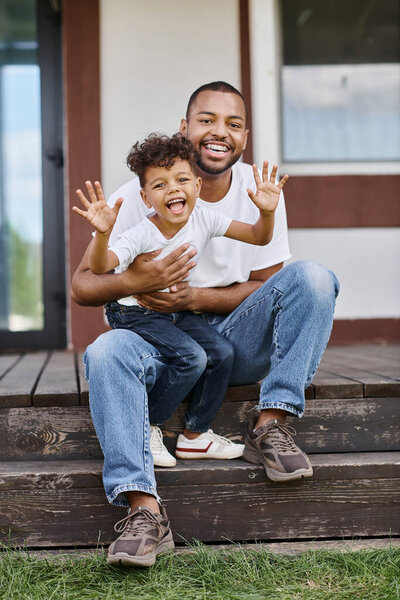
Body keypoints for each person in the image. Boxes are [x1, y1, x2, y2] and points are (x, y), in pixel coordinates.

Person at [71, 81, 339, 567]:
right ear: (185, 129)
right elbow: (84, 285)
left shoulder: (258, 190)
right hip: (155, 336)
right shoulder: (139, 194)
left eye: (233, 124)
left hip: (230, 340)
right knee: (106, 352)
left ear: (244, 136)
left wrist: (198, 296)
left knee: (315, 278)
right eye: (206, 120)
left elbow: (269, 281)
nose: (219, 133)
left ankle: (273, 423)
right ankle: (143, 510)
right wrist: (138, 277)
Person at [72, 133, 288, 467]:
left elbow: (259, 236)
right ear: (145, 199)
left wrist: (268, 212)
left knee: (222, 353)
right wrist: (103, 234)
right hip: (134, 312)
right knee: (192, 358)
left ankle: (195, 437)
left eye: (182, 179)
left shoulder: (205, 217)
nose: (173, 189)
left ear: (198, 187)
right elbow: (100, 267)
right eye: (160, 185)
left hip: (174, 310)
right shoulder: (141, 233)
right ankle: (149, 426)